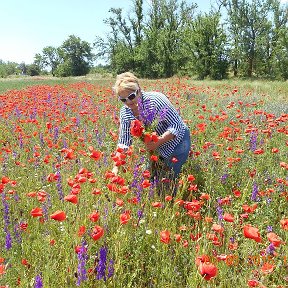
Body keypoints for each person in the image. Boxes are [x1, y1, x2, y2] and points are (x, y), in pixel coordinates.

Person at [112, 72, 191, 196]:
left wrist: (158, 142)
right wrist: (116, 167)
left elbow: (177, 126)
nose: (128, 102)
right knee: (153, 178)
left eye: (131, 96)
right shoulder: (125, 112)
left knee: (169, 180)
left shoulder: (156, 100)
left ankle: (172, 202)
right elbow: (124, 142)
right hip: (155, 148)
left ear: (139, 90)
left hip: (178, 142)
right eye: (123, 99)